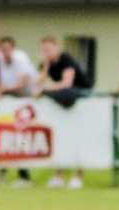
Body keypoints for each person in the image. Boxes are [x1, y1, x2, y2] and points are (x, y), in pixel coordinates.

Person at [37, 37, 86, 188]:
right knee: (59, 138)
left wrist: (46, 88)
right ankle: (58, 176)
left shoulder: (66, 59)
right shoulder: (49, 64)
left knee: (79, 139)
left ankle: (78, 177)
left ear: (57, 48)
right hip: (63, 105)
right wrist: (45, 65)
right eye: (43, 50)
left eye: (49, 49)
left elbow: (67, 83)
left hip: (81, 101)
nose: (46, 53)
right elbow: (38, 84)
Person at [0, 36, 37, 186]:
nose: (5, 52)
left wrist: (3, 90)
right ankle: (0, 174)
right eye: (3, 48)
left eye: (8, 48)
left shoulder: (21, 61)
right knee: (4, 140)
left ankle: (24, 177)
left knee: (22, 140)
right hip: (7, 106)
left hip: (24, 105)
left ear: (13, 48)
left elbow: (22, 87)